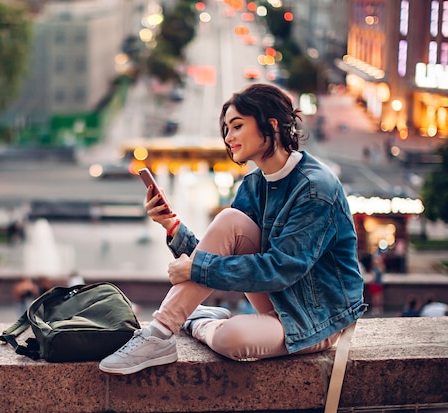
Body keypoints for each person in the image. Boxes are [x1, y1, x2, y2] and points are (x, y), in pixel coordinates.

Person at [99, 83, 367, 375]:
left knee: (231, 338)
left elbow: (283, 268)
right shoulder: (255, 183)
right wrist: (172, 225)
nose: (229, 138)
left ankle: (197, 321)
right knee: (230, 220)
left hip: (317, 318)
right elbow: (217, 253)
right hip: (278, 301)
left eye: (237, 126)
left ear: (272, 124)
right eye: (226, 129)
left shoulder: (315, 189)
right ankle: (161, 333)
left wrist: (194, 270)